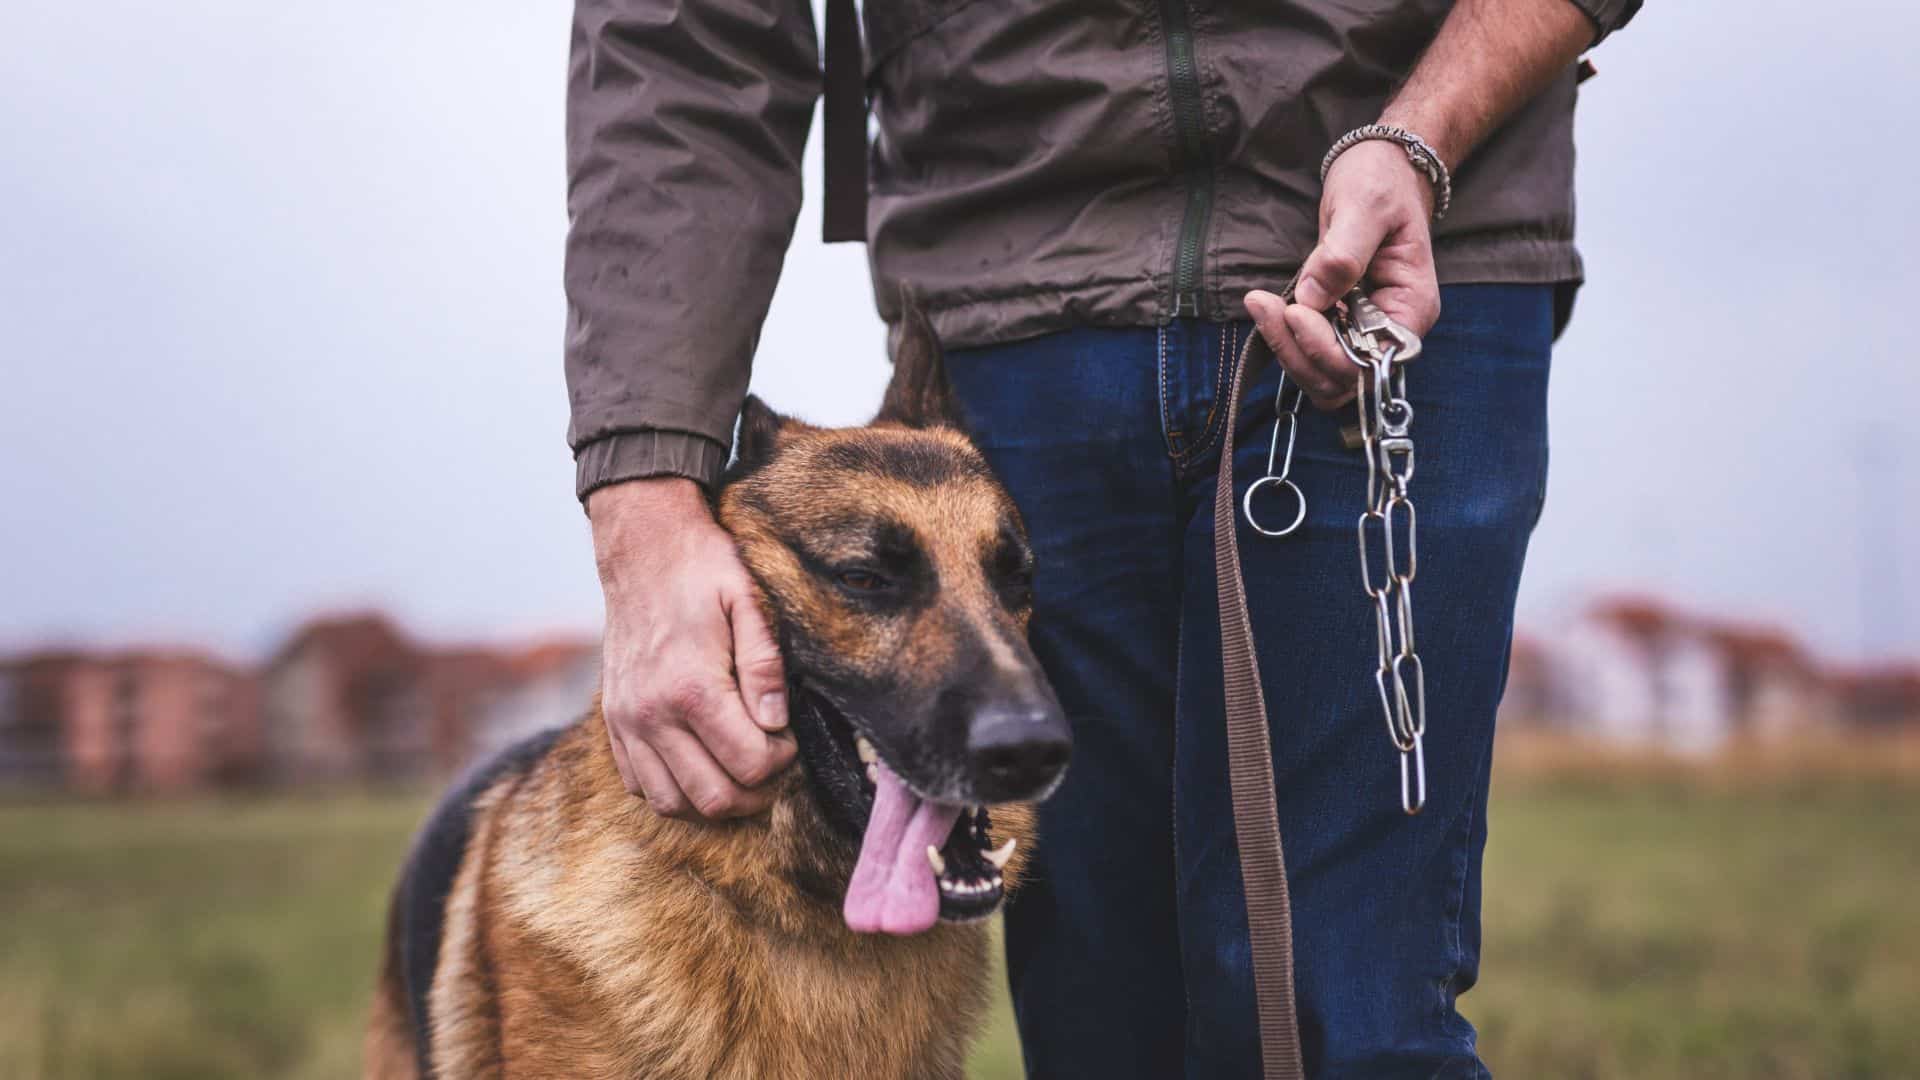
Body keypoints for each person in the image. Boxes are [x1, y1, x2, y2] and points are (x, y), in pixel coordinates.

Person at [564, 0, 1638, 1074]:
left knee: (1350, 1024)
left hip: (1406, 266)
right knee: (1105, 1032)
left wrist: (1423, 130)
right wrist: (644, 498)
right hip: (1015, 304)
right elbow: (682, 34)